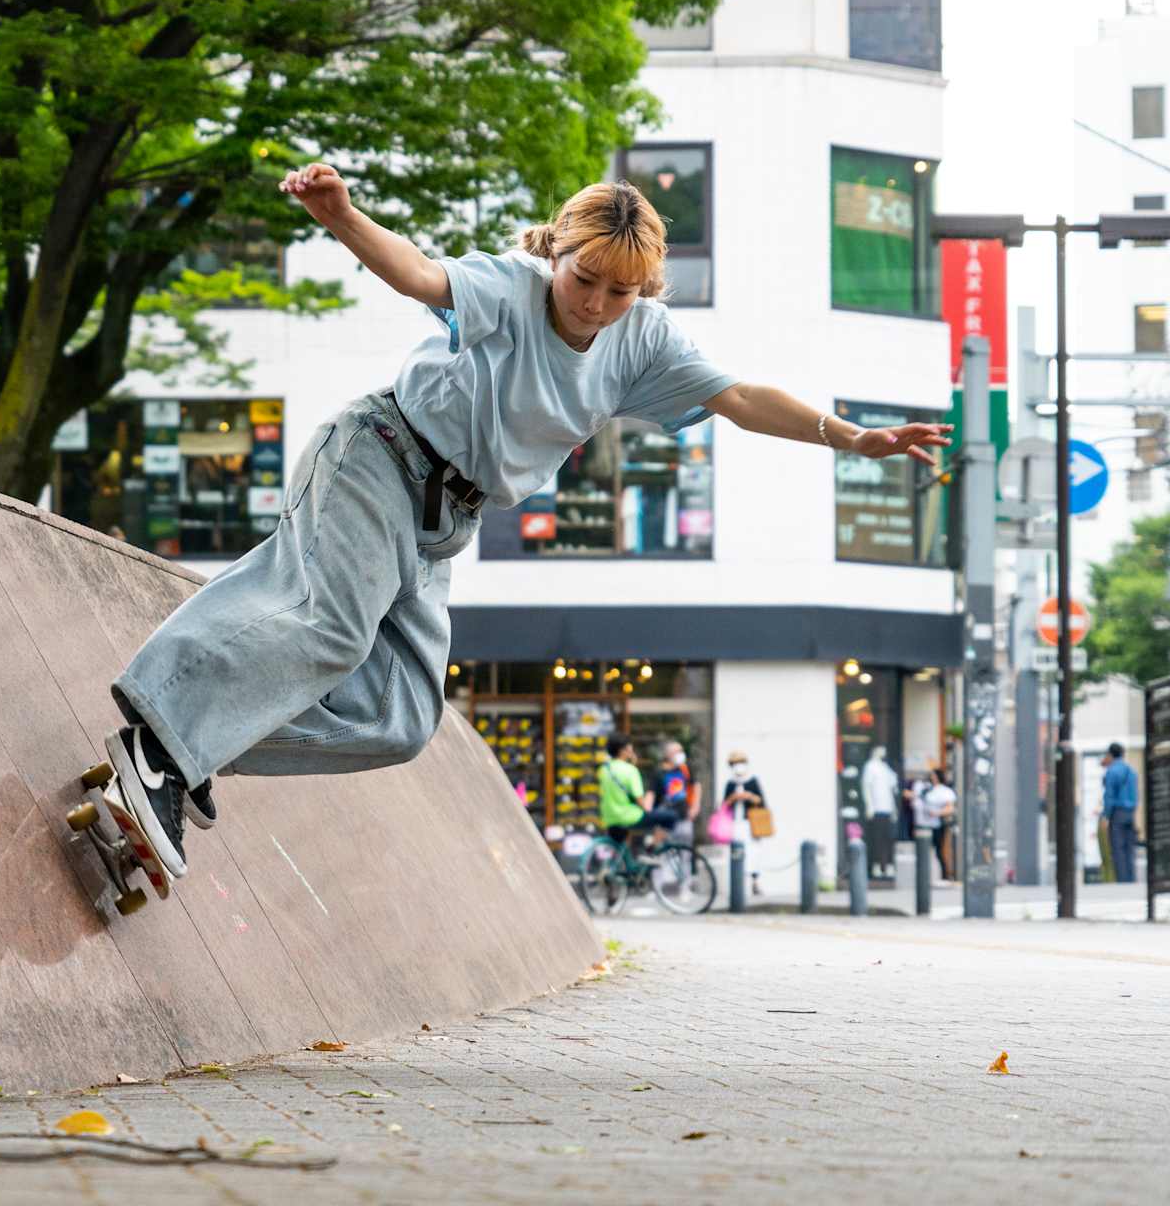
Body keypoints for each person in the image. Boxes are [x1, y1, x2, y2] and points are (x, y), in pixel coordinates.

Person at [96, 166, 951, 880]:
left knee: (400, 718)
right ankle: (166, 739)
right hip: (379, 457)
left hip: (442, 525)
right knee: (330, 625)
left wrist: (851, 436)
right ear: (559, 251)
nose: (596, 304)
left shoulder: (642, 338)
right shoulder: (509, 286)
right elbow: (419, 275)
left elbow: (739, 398)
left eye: (620, 291)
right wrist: (345, 218)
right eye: (585, 279)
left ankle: (188, 745)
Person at [598, 736, 682, 847]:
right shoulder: (630, 770)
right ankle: (652, 848)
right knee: (670, 817)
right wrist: (648, 809)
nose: (632, 751)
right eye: (629, 748)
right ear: (622, 751)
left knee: (619, 847)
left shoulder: (603, 770)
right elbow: (640, 801)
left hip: (609, 817)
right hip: (630, 817)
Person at [720, 749, 768, 895]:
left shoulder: (752, 782)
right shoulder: (730, 784)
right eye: (735, 764)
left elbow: (762, 802)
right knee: (737, 851)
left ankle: (755, 881)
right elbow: (724, 805)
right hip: (735, 823)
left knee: (753, 852)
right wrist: (734, 798)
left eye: (740, 763)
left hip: (751, 822)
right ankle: (738, 884)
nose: (738, 766)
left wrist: (749, 796)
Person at [1101, 742, 1139, 884]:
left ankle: (1122, 880)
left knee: (1118, 848)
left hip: (1117, 812)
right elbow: (1135, 794)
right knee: (1130, 847)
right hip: (1130, 812)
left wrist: (1106, 815)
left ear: (1111, 755)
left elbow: (1109, 795)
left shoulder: (1112, 771)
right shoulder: (1131, 771)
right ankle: (1131, 877)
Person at [860, 746, 899, 879]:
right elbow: (866, 786)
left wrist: (894, 809)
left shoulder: (885, 768)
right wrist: (869, 806)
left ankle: (887, 865)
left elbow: (892, 788)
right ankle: (876, 865)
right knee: (877, 838)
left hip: (887, 808)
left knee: (888, 838)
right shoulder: (870, 766)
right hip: (876, 809)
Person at [916, 765, 957, 881]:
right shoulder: (928, 789)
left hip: (939, 825)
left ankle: (945, 875)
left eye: (933, 775)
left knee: (940, 851)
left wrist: (936, 813)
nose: (932, 778)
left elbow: (950, 808)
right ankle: (928, 877)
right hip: (925, 824)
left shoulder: (945, 791)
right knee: (926, 852)